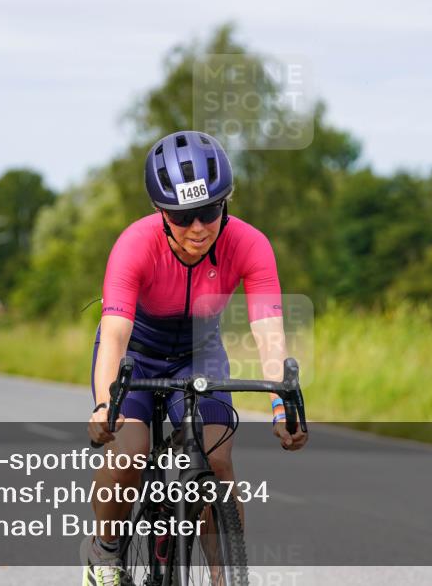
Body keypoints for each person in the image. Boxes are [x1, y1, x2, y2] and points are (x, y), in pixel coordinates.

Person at [82, 131, 308, 585]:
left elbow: (269, 333)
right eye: (183, 217)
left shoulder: (249, 244)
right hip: (137, 355)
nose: (199, 228)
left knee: (216, 457)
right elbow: (116, 334)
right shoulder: (134, 244)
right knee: (130, 453)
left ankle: (226, 578)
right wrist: (106, 404)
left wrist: (282, 405)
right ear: (160, 212)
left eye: (210, 211)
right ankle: (104, 553)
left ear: (227, 202)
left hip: (198, 354)